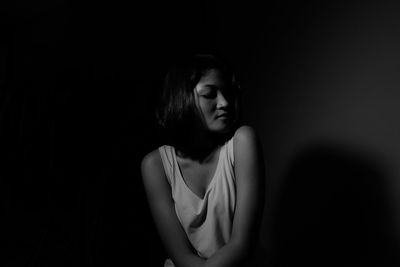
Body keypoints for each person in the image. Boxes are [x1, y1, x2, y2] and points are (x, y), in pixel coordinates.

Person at [141, 54, 266, 267]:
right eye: (210, 94)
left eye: (227, 93)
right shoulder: (155, 165)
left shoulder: (242, 143)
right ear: (182, 98)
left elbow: (240, 244)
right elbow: (181, 256)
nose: (225, 103)